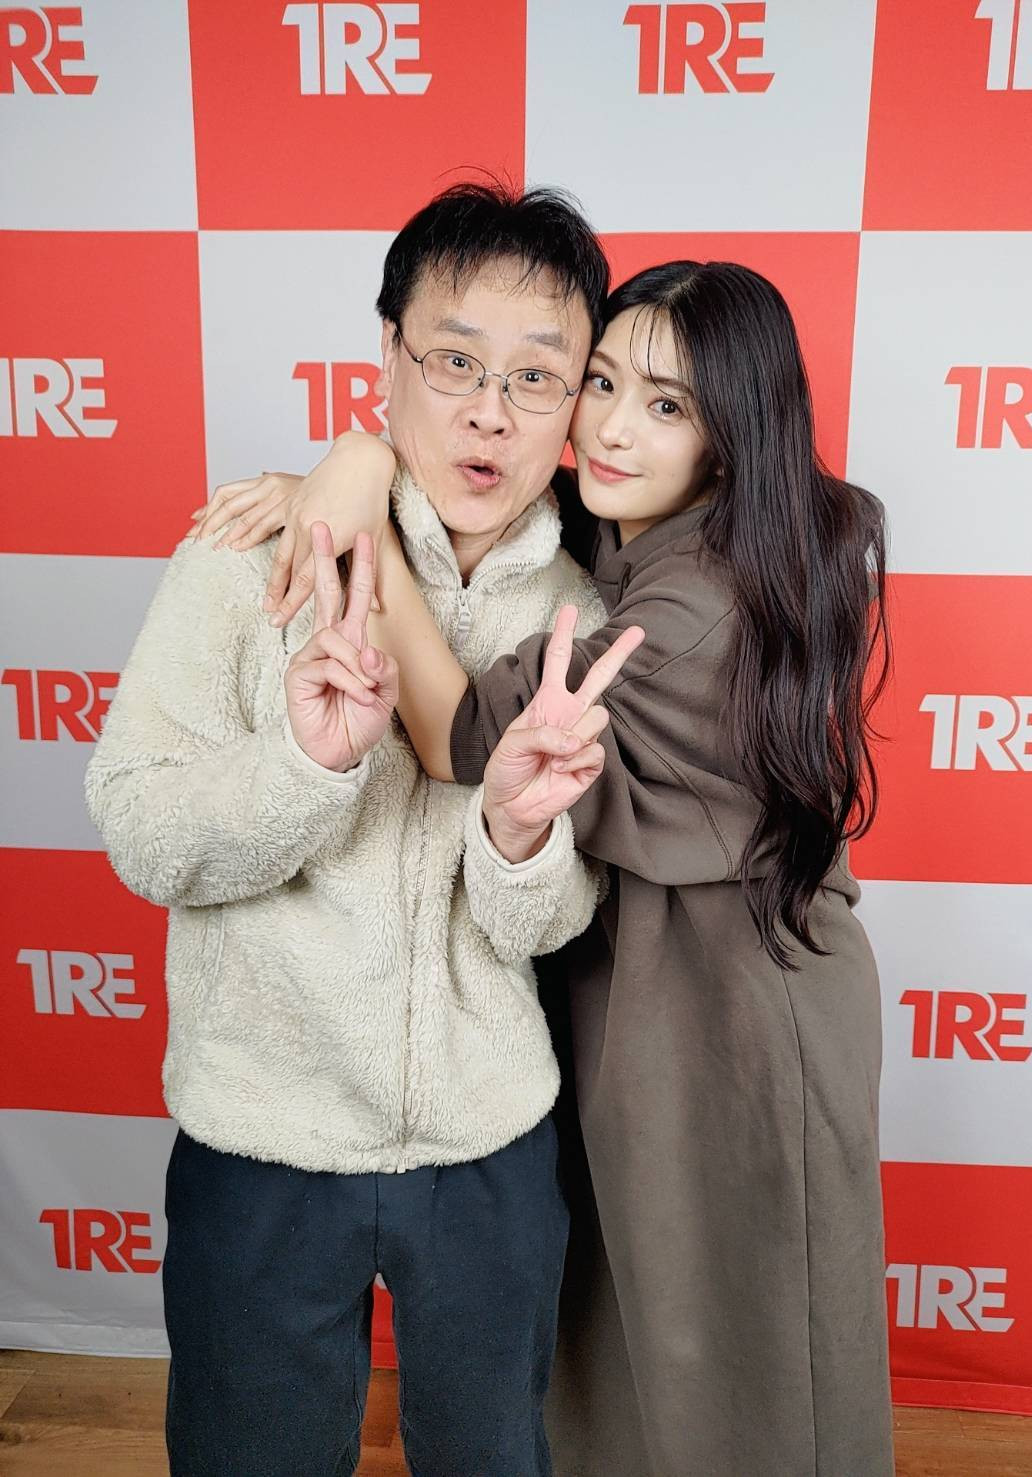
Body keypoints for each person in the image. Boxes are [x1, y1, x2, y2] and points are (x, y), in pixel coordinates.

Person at [201, 256, 897, 1475]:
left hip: (730, 1011)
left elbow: (457, 737)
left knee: (737, 1354)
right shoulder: (643, 528)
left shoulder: (689, 607)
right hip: (649, 988)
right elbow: (477, 497)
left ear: (731, 435)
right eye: (601, 383)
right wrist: (355, 465)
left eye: (667, 405)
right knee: (631, 1348)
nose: (612, 427)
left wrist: (353, 521)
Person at [85, 182, 643, 1477]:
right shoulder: (249, 555)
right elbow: (143, 831)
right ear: (387, 354)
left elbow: (550, 925)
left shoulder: (587, 618)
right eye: (454, 362)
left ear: (578, 404)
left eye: (536, 377)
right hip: (263, 1137)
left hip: (490, 1147)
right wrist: (303, 764)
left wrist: (515, 835)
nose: (490, 412)